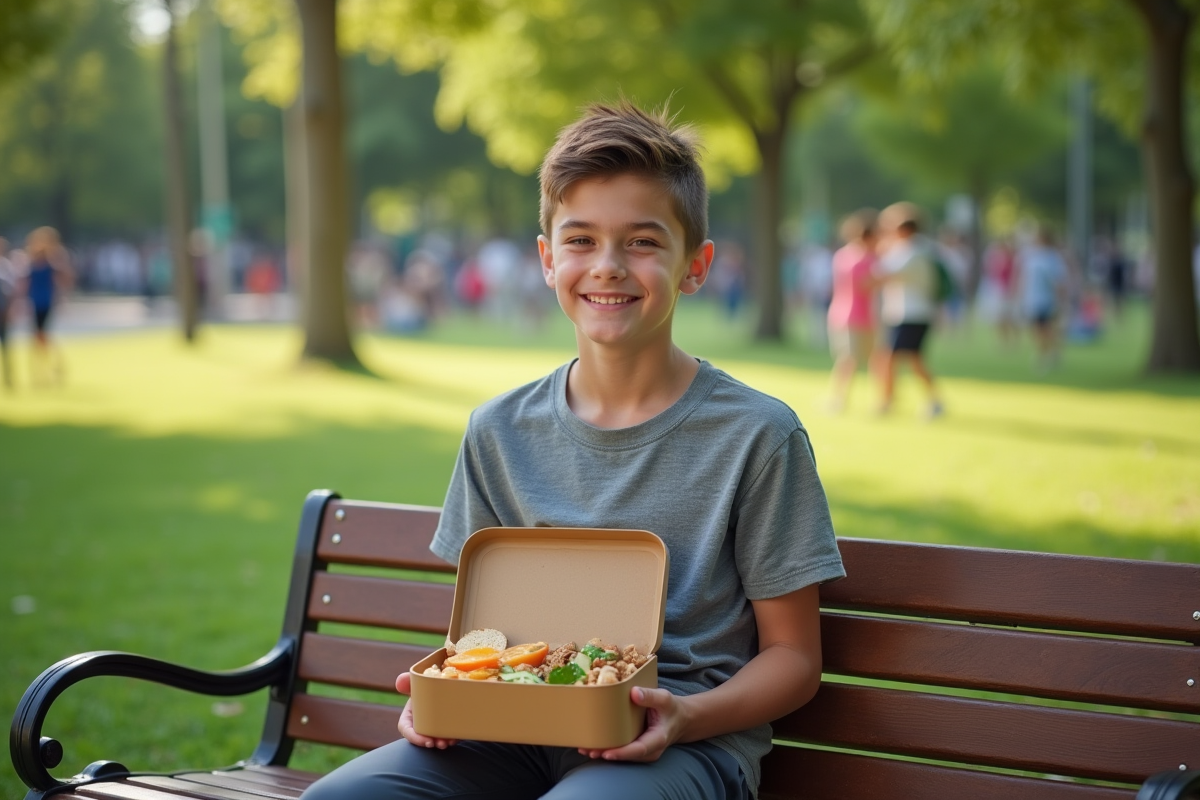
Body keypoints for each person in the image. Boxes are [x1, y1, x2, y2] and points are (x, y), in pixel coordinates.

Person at [300, 102, 845, 800]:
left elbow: (795, 658)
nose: (609, 267)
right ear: (546, 258)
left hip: (680, 746)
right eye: (581, 240)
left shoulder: (757, 436)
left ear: (695, 265)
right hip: (508, 737)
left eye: (643, 242)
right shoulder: (498, 429)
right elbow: (482, 637)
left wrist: (684, 717)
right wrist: (447, 692)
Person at [874, 202, 943, 418]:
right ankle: (929, 400)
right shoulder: (912, 248)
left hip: (912, 313)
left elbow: (881, 273)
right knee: (912, 360)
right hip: (904, 313)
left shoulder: (913, 251)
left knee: (893, 358)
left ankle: (888, 401)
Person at [825, 208, 879, 412]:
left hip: (844, 313)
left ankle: (840, 398)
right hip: (858, 315)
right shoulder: (865, 258)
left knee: (851, 359)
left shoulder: (843, 254)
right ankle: (839, 398)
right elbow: (866, 284)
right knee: (851, 360)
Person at [23, 226, 73, 385]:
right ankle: (42, 370)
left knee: (42, 336)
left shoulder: (50, 263)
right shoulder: (32, 263)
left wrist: (62, 296)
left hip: (45, 302)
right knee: (39, 337)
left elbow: (64, 278)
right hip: (35, 302)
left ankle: (50, 367)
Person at [1018, 227, 1070, 373]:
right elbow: (1025, 278)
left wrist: (1061, 298)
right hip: (1033, 298)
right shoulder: (1032, 257)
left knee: (1045, 327)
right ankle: (1048, 352)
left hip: (1047, 299)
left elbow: (1059, 280)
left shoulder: (1052, 258)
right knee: (1037, 328)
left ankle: (1045, 354)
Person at [0, 237, 17, 389]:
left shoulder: (6, 266)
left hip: (3, 312)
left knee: (6, 345)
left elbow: (12, 291)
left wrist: (12, 309)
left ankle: (8, 377)